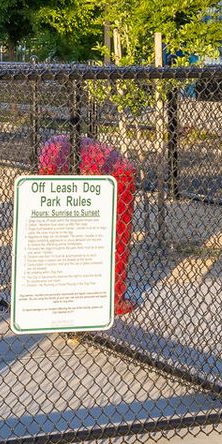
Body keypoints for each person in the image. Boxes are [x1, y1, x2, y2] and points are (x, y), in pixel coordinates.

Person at [36, 134, 137, 317]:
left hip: (98, 170)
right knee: (112, 236)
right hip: (107, 172)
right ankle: (112, 298)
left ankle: (107, 297)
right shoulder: (59, 148)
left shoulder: (55, 149)